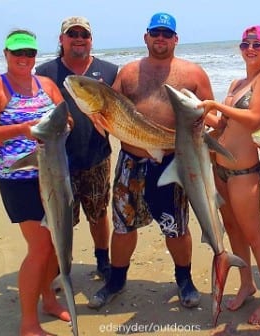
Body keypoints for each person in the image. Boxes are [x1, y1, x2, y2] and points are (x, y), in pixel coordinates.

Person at [87, 12, 213, 310]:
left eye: (166, 34)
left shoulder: (193, 74)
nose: (160, 38)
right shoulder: (129, 72)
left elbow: (208, 116)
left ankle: (184, 280)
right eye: (155, 33)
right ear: (146, 37)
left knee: (177, 227)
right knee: (122, 226)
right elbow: (110, 108)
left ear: (175, 39)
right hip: (131, 162)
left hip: (172, 162)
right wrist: (97, 118)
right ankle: (116, 280)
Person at [0, 29, 69, 336]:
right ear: (6, 54)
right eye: (18, 53)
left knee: (56, 244)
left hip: (54, 174)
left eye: (29, 53)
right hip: (20, 179)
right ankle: (28, 324)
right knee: (40, 248)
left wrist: (63, 123)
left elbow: (64, 116)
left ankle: (49, 300)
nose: (24, 59)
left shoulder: (46, 84)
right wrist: (21, 129)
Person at [198, 26, 260, 324]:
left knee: (254, 234)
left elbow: (256, 118)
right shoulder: (237, 82)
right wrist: (194, 109)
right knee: (233, 230)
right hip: (219, 168)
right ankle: (247, 283)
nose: (251, 48)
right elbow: (222, 124)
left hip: (244, 171)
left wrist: (215, 105)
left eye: (258, 44)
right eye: (246, 43)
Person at [36, 16, 118, 281]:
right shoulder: (45, 73)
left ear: (91, 40)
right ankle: (62, 263)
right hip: (58, 162)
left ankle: (102, 259)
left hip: (97, 156)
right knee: (61, 217)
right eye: (73, 34)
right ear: (62, 39)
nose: (79, 38)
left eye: (84, 34)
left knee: (98, 213)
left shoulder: (110, 71)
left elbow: (122, 112)